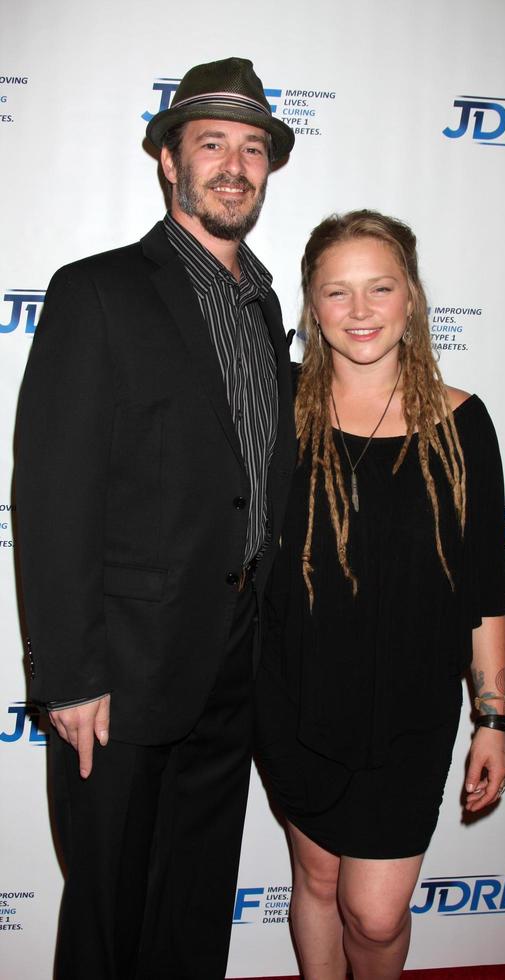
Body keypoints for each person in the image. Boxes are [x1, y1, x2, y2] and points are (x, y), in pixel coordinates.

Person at [14, 57, 297, 979]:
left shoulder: (265, 306)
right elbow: (51, 496)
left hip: (236, 666)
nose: (233, 166)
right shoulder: (97, 291)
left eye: (253, 149)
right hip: (123, 678)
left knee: (197, 897)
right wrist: (70, 676)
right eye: (210, 143)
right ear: (168, 162)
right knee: (109, 910)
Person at [255, 210, 505, 979]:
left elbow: (485, 590)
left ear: (412, 299)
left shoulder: (462, 424)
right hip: (295, 699)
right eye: (338, 292)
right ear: (312, 306)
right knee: (319, 881)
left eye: (380, 288)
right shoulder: (279, 412)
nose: (360, 311)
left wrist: (492, 718)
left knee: (375, 913)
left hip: (409, 712)